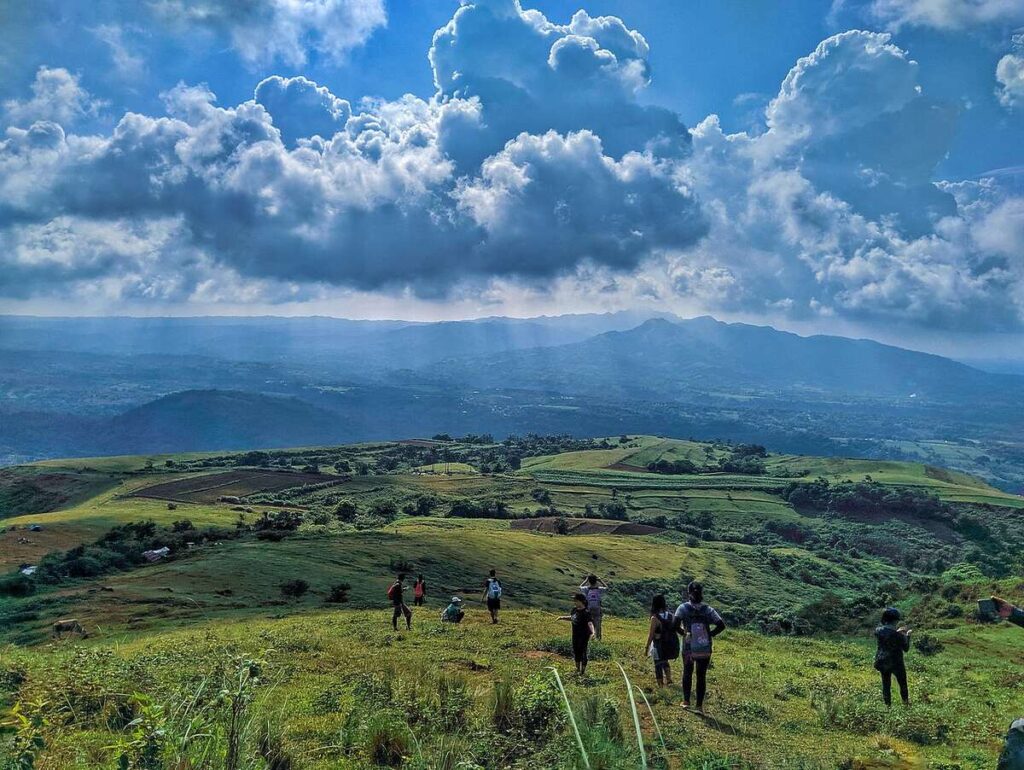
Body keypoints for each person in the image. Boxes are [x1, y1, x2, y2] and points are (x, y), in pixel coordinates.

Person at [674, 581, 725, 714]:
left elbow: (675, 625)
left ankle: (686, 701)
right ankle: (699, 706)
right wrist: (709, 635)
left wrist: (684, 634)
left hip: (688, 646)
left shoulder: (683, 608)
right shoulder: (708, 610)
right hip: (704, 647)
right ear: (701, 593)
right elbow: (721, 625)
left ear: (688, 592)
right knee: (701, 676)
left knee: (687, 672)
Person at [873, 607, 911, 707]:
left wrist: (897, 631)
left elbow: (886, 633)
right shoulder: (898, 636)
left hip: (883, 661)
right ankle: (906, 704)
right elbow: (906, 648)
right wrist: (907, 636)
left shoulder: (878, 631)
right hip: (896, 662)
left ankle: (887, 707)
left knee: (886, 685)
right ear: (895, 620)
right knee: (902, 684)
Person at [645, 594, 679, 686]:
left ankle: (660, 685)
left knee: (658, 664)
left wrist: (647, 647)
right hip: (669, 643)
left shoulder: (654, 618)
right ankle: (669, 679)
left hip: (658, 644)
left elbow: (651, 634)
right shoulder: (671, 615)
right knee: (665, 661)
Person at [560, 592, 597, 675]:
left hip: (583, 635)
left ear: (582, 601)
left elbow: (590, 623)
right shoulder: (574, 610)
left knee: (583, 652)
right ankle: (577, 670)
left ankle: (582, 672)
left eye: (576, 601)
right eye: (574, 601)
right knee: (576, 651)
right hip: (575, 634)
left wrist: (593, 632)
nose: (575, 602)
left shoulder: (586, 612)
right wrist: (562, 617)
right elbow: (573, 618)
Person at [580, 574, 609, 640]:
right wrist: (600, 580)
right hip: (597, 609)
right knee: (597, 625)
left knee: (589, 624)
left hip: (589, 609)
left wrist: (586, 580)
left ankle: (589, 638)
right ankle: (597, 639)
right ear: (596, 581)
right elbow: (607, 587)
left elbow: (580, 586)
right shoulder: (599, 589)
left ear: (589, 581)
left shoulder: (586, 589)